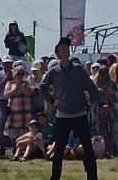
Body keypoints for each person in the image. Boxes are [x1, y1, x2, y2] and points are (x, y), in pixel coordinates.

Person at [39, 36, 101, 180]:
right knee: (59, 150)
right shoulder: (54, 71)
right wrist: (52, 100)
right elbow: (42, 87)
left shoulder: (78, 69)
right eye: (62, 48)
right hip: (63, 116)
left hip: (80, 114)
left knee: (88, 149)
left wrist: (100, 102)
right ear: (58, 54)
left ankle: (93, 178)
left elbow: (91, 87)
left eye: (67, 47)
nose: (66, 49)